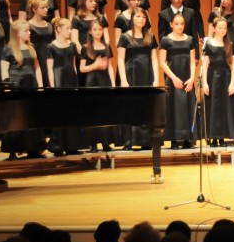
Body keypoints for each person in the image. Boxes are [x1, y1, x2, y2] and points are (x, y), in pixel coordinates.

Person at [0, 20, 45, 159]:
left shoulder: (31, 47)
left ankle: (34, 149)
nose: (29, 33)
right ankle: (13, 150)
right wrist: (7, 87)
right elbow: (4, 70)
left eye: (29, 30)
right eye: (26, 31)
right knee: (16, 118)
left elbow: (37, 67)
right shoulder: (9, 49)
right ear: (17, 34)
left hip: (30, 85)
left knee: (32, 117)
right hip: (16, 86)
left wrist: (40, 85)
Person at [118, 9, 159, 150]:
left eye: (144, 17)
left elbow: (154, 59)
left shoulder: (150, 37)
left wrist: (156, 78)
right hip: (131, 76)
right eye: (138, 16)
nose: (141, 19)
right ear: (132, 19)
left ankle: (145, 141)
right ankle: (128, 141)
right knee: (130, 107)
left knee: (145, 107)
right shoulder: (125, 37)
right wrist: (123, 79)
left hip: (146, 76)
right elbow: (120, 59)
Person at [159, 12, 197, 149]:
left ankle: (187, 139)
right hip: (173, 78)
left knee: (187, 106)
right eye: (176, 24)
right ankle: (174, 139)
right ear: (171, 25)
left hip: (187, 77)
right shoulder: (166, 40)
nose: (179, 26)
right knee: (173, 108)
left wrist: (192, 78)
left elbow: (193, 62)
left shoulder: (190, 39)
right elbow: (162, 62)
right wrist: (173, 78)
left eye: (181, 23)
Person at [79, 19, 117, 151]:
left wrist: (112, 84)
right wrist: (95, 65)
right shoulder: (85, 48)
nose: (98, 32)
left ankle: (106, 142)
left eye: (100, 29)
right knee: (93, 112)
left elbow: (110, 66)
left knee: (105, 111)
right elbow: (82, 69)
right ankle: (93, 143)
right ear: (90, 31)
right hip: (92, 81)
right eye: (95, 29)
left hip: (104, 80)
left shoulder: (106, 46)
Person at [46, 17, 81, 155]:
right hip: (59, 80)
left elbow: (73, 65)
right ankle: (58, 146)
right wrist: (53, 85)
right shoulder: (51, 46)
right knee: (60, 113)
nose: (70, 31)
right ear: (58, 29)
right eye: (67, 29)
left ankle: (72, 145)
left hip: (71, 79)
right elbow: (50, 68)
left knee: (72, 112)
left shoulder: (72, 45)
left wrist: (76, 81)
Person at [203, 16, 234, 147]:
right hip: (213, 78)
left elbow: (233, 65)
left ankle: (222, 137)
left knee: (224, 108)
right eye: (220, 28)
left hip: (225, 78)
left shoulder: (229, 44)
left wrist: (232, 82)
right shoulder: (209, 44)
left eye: (225, 28)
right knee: (213, 107)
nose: (223, 30)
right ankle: (213, 138)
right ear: (214, 29)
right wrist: (205, 82)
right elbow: (205, 65)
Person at [27, 0, 56, 89]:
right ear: (34, 9)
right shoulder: (29, 25)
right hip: (37, 57)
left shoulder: (50, 25)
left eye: (47, 7)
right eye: (43, 8)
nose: (46, 10)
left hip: (49, 57)